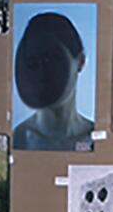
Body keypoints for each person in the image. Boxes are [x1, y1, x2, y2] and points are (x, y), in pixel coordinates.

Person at [12, 11, 94, 151]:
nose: (43, 71)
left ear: (80, 62)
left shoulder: (94, 136)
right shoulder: (20, 138)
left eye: (54, 59)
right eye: (33, 62)